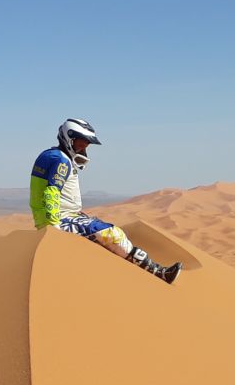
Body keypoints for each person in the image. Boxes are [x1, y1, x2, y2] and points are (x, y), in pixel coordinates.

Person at [29, 118, 182, 283]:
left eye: (87, 143)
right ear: (69, 138)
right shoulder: (62, 161)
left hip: (56, 216)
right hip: (61, 219)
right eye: (81, 142)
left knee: (95, 227)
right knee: (113, 234)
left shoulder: (49, 155)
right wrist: (54, 227)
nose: (84, 147)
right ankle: (158, 272)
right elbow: (51, 192)